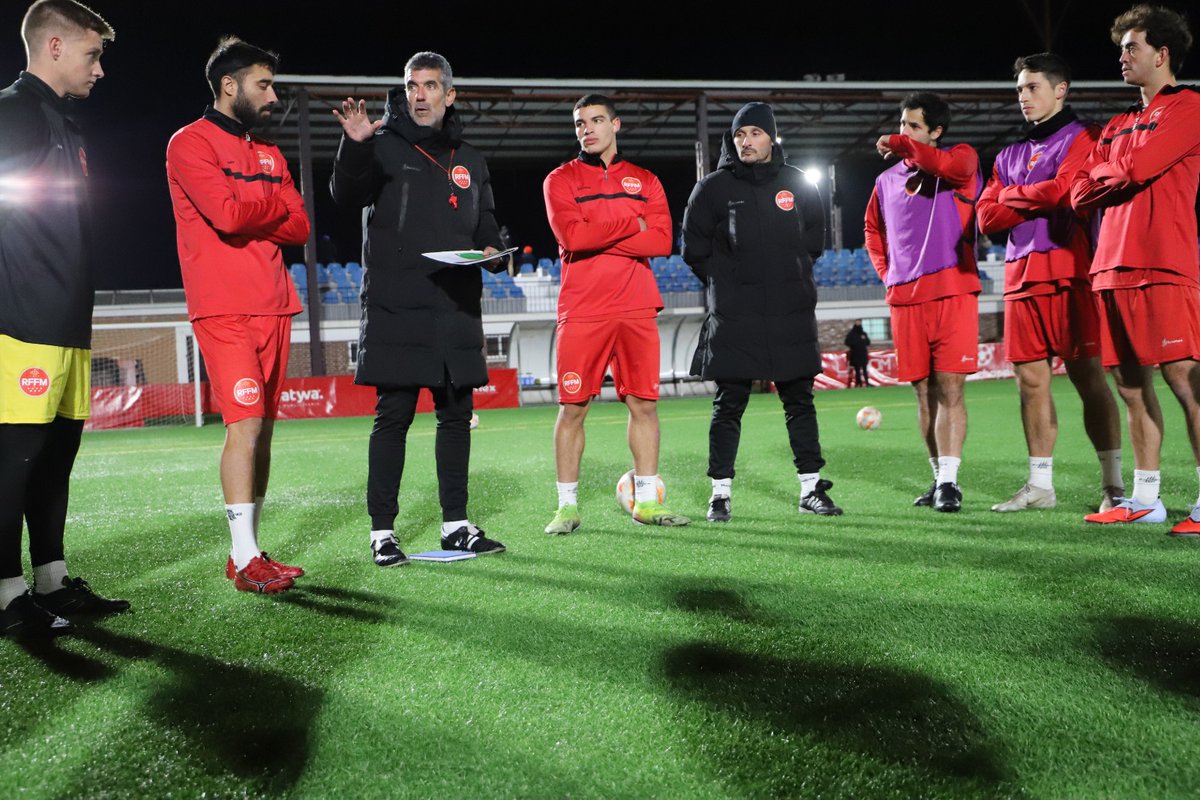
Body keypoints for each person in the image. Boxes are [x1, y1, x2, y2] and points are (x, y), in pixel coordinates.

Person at [331, 51, 507, 564]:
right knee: (394, 417)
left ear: (449, 94)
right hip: (396, 303)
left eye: (431, 86)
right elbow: (345, 194)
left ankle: (456, 524)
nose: (420, 94)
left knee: (456, 417)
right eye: (412, 86)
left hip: (454, 303)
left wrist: (495, 250)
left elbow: (486, 222)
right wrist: (354, 145)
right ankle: (381, 533)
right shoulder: (381, 144)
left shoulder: (470, 158)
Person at [0, 0, 126, 638]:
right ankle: (5, 595)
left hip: (69, 322)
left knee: (56, 457)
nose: (99, 68)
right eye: (92, 53)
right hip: (20, 322)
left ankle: (50, 580)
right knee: (15, 459)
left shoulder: (63, 122)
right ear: (53, 47)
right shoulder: (13, 112)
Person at [166, 37, 309, 593]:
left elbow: (300, 227)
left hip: (274, 303)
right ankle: (244, 557)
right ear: (230, 86)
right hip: (223, 307)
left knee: (264, 432)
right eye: (263, 85)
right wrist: (271, 209)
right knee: (244, 425)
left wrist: (261, 212)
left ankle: (250, 551)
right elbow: (224, 217)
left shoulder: (270, 153)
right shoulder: (189, 143)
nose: (272, 95)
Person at [1071, 5, 1200, 532]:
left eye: (1133, 47)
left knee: (1185, 382)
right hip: (1110, 267)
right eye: (1121, 48)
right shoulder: (1119, 122)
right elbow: (1079, 192)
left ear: (1162, 54)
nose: (1122, 56)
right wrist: (1112, 172)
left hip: (1164, 263)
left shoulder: (1188, 107)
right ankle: (1147, 500)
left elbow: (1140, 168)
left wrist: (1110, 170)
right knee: (1129, 386)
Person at [977, 52, 1124, 513]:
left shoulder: (1083, 137)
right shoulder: (1008, 153)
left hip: (1070, 269)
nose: (1023, 96)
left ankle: (1113, 484)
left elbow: (1064, 190)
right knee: (1030, 383)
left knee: (1088, 378)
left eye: (1032, 86)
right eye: (1019, 88)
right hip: (1020, 275)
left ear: (1061, 89)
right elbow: (985, 217)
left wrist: (1011, 196)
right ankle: (1040, 486)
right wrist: (1029, 197)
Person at [682, 102, 842, 522]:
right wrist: (727, 284)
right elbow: (693, 248)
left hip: (789, 310)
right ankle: (720, 494)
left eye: (754, 133)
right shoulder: (713, 188)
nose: (746, 141)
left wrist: (787, 278)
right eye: (739, 135)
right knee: (729, 402)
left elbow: (813, 243)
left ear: (771, 137)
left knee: (799, 401)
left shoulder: (798, 183)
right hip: (736, 314)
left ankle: (811, 488)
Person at [542, 94, 689, 533]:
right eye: (580, 123)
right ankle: (566, 506)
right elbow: (572, 236)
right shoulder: (559, 180)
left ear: (616, 125)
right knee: (573, 409)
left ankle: (646, 501)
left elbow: (662, 242)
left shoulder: (646, 179)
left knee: (644, 405)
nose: (587, 129)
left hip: (636, 305)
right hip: (583, 307)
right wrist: (632, 225)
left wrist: (596, 234)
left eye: (596, 120)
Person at [864, 92, 982, 512]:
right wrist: (888, 273)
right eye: (902, 125)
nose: (905, 132)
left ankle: (950, 482)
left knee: (950, 388)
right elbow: (872, 232)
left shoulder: (961, 160)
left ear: (936, 131)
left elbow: (945, 165)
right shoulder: (884, 181)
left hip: (952, 289)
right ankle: (937, 479)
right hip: (905, 300)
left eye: (914, 126)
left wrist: (903, 145)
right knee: (922, 393)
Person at [844, 319, 871, 387]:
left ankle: (867, 383)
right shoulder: (851, 334)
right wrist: (855, 343)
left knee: (865, 369)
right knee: (857, 370)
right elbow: (847, 342)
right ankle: (858, 383)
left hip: (863, 354)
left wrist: (864, 339)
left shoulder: (863, 333)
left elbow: (868, 343)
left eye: (859, 322)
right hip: (855, 354)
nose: (858, 323)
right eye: (857, 322)